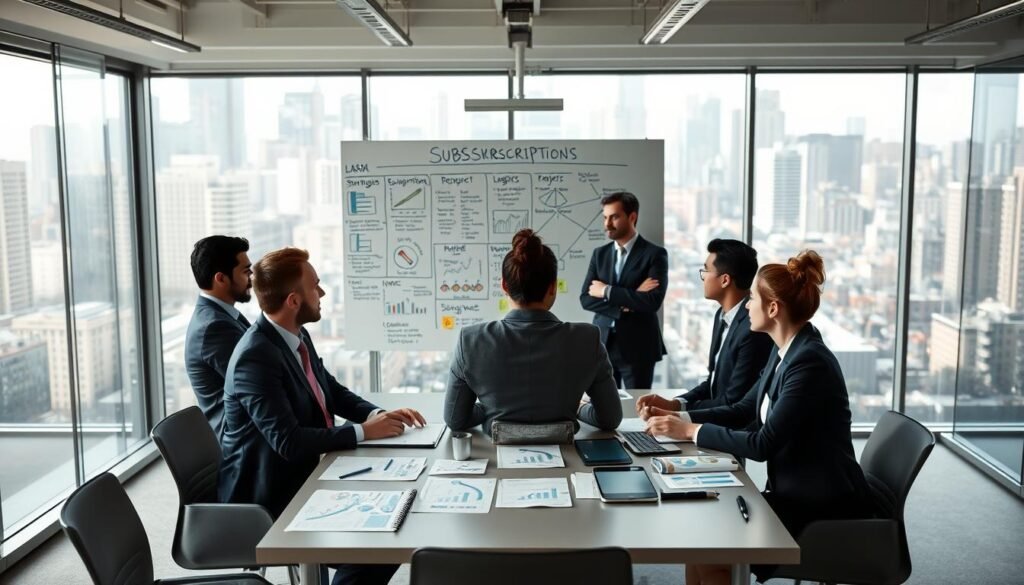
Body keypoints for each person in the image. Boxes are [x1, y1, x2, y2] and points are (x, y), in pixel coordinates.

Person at [643, 250, 874, 585]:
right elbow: (742, 410)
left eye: (752, 298)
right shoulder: (785, 352)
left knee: (713, 558)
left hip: (821, 504)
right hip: (793, 491)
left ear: (773, 308)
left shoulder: (808, 363)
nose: (746, 305)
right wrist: (677, 414)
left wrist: (691, 430)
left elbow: (763, 444)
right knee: (697, 545)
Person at [218, 247, 425, 585]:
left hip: (312, 471)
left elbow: (330, 388)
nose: (323, 292)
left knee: (395, 516)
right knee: (379, 546)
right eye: (315, 285)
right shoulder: (254, 358)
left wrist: (378, 414)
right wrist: (363, 432)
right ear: (293, 301)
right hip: (271, 495)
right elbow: (288, 442)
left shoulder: (295, 335)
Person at [445, 229, 622, 435]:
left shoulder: (470, 340)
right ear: (553, 287)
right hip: (571, 460)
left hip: (495, 461)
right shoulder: (588, 339)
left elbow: (455, 419)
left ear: (504, 286)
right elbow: (610, 418)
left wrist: (491, 409)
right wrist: (579, 408)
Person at [636, 239, 773, 414]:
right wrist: (676, 404)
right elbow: (713, 383)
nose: (703, 277)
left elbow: (733, 401)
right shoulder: (722, 316)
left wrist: (678, 414)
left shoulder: (752, 329)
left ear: (725, 280)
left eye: (706, 270)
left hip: (731, 429)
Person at [580, 191, 668, 389]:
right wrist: (626, 304)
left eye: (614, 217)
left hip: (639, 347)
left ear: (632, 217)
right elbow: (585, 298)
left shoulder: (654, 254)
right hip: (603, 344)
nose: (607, 224)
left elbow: (652, 301)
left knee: (637, 410)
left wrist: (606, 291)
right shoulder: (599, 255)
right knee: (604, 410)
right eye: (605, 217)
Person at [185, 235, 253, 438]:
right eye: (246, 271)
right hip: (244, 443)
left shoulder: (225, 315)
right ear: (221, 278)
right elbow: (257, 385)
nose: (251, 278)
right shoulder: (215, 327)